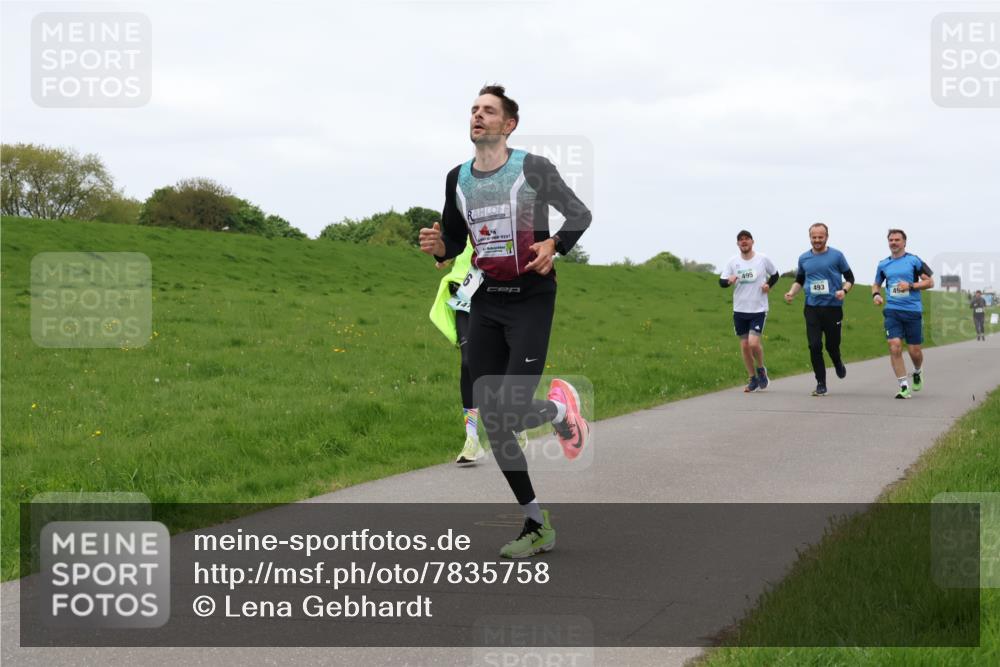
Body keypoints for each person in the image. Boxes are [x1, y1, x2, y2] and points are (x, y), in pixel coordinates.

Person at [419, 84, 592, 558]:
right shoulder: (457, 178)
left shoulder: (531, 168)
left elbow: (580, 214)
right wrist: (440, 248)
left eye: (488, 111)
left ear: (508, 124)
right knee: (493, 420)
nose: (477, 116)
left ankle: (560, 412)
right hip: (487, 301)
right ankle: (536, 523)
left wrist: (553, 245)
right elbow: (455, 241)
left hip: (532, 299)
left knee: (509, 409)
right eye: (473, 109)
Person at [428, 242, 527, 465]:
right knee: (468, 362)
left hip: (497, 292)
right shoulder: (464, 212)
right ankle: (472, 439)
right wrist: (442, 253)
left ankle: (515, 420)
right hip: (465, 291)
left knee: (500, 365)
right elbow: (449, 242)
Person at [783, 223, 855, 396]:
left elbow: (850, 277)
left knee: (832, 346)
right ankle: (821, 383)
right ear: (810, 237)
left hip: (833, 307)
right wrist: (792, 292)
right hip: (812, 307)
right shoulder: (804, 258)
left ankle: (837, 362)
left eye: (820, 237)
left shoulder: (837, 256)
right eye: (814, 237)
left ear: (826, 237)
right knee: (814, 345)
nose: (817, 240)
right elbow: (799, 280)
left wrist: (843, 290)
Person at [871, 229, 935, 398]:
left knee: (914, 351)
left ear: (904, 242)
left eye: (897, 240)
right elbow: (876, 284)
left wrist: (911, 286)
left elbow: (930, 282)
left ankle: (917, 371)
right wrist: (876, 295)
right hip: (892, 311)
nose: (893, 242)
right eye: (891, 240)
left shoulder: (914, 260)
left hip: (912, 311)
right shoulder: (883, 264)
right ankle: (904, 386)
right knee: (894, 346)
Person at [719, 230, 779, 392]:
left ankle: (761, 369)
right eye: (741, 240)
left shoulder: (762, 259)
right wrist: (728, 281)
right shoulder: (733, 262)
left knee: (753, 343)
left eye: (747, 239)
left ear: (752, 242)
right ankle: (752, 378)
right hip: (740, 309)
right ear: (738, 244)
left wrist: (768, 285)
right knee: (745, 345)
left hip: (758, 308)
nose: (744, 242)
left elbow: (775, 275)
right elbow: (722, 282)